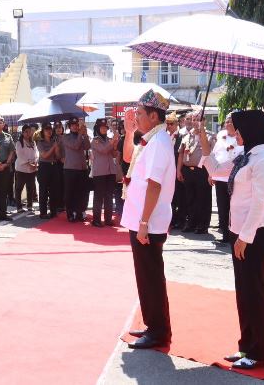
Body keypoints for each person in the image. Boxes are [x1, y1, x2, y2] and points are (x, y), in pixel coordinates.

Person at [199, 110, 264, 369]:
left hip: (256, 233)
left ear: (252, 131)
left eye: (240, 128)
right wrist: (202, 136)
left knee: (254, 292)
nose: (236, 132)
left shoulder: (263, 161)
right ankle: (246, 345)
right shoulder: (245, 157)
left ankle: (259, 351)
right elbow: (217, 170)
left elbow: (260, 202)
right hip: (240, 232)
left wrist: (244, 237)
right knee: (243, 291)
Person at [121, 90, 174, 350]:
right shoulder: (151, 140)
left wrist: (143, 223)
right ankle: (153, 323)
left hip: (149, 222)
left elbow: (154, 185)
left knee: (151, 276)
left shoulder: (160, 142)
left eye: (140, 114)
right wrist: (129, 131)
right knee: (145, 276)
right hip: (142, 219)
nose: (137, 118)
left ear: (154, 116)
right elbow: (128, 158)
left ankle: (159, 331)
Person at [177, 112, 214, 234]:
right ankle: (191, 222)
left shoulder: (210, 136)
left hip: (203, 171)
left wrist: (211, 174)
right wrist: (179, 170)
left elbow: (212, 155)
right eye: (194, 119)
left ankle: (202, 225)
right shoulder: (187, 136)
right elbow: (181, 153)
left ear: (204, 121)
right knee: (190, 198)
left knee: (203, 199)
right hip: (188, 170)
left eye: (199, 119)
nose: (196, 121)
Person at [210, 112, 243, 245]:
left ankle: (235, 234)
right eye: (227, 122)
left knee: (233, 207)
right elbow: (215, 155)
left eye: (231, 122)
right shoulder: (220, 136)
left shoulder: (241, 137)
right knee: (222, 207)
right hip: (220, 177)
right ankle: (225, 234)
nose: (228, 124)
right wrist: (211, 174)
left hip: (234, 178)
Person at [91, 118, 119, 227]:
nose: (104, 129)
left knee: (108, 196)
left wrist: (115, 145)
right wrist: (112, 142)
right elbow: (103, 150)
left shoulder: (108, 139)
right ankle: (96, 219)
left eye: (105, 128)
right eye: (102, 127)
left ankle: (108, 219)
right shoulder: (95, 140)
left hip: (110, 171)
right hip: (100, 172)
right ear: (98, 128)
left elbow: (113, 154)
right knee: (99, 196)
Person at [62, 117, 91, 222]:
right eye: (73, 125)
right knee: (70, 192)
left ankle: (80, 212)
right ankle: (70, 213)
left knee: (82, 192)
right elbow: (75, 146)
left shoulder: (82, 136)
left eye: (76, 125)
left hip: (82, 168)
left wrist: (85, 134)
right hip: (70, 169)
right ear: (69, 127)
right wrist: (80, 135)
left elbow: (87, 146)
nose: (75, 126)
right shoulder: (66, 137)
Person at [166, 112, 186, 229]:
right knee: (170, 196)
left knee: (180, 197)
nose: (169, 126)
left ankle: (181, 220)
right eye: (167, 124)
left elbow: (180, 155)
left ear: (177, 124)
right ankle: (172, 219)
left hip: (177, 169)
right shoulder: (165, 136)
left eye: (171, 124)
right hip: (168, 170)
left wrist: (178, 170)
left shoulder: (181, 136)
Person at [36, 122, 60, 219]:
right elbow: (44, 155)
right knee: (43, 190)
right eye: (47, 130)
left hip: (54, 166)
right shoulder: (40, 142)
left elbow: (58, 156)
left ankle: (53, 211)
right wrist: (53, 147)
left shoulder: (54, 140)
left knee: (54, 190)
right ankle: (43, 212)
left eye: (50, 129)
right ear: (43, 131)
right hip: (44, 166)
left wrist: (57, 147)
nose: (49, 131)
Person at [14, 124, 38, 214]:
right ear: (23, 132)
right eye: (26, 132)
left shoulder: (33, 142)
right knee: (19, 188)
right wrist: (29, 163)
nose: (28, 134)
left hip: (32, 168)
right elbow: (20, 155)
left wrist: (35, 163)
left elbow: (36, 154)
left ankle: (30, 205)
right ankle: (19, 206)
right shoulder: (19, 143)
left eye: (29, 131)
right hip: (21, 168)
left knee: (30, 187)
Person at [53, 121, 66, 212]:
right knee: (57, 184)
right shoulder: (52, 138)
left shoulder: (66, 137)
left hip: (66, 163)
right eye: (56, 127)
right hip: (56, 163)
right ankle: (57, 204)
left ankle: (64, 203)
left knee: (65, 184)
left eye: (60, 127)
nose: (58, 129)